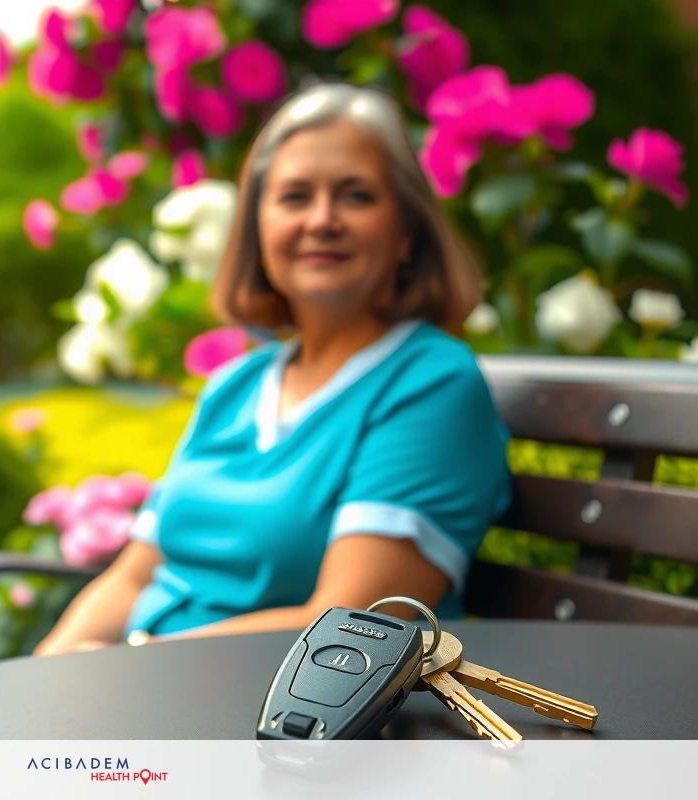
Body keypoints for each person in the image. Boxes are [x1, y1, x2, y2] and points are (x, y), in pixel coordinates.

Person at [34, 81, 513, 657]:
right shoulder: (236, 386)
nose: (322, 219)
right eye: (294, 197)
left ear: (407, 233)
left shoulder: (430, 384)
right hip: (145, 676)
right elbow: (133, 577)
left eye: (356, 195)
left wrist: (126, 667)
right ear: (259, 229)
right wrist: (50, 668)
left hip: (272, 701)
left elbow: (346, 628)